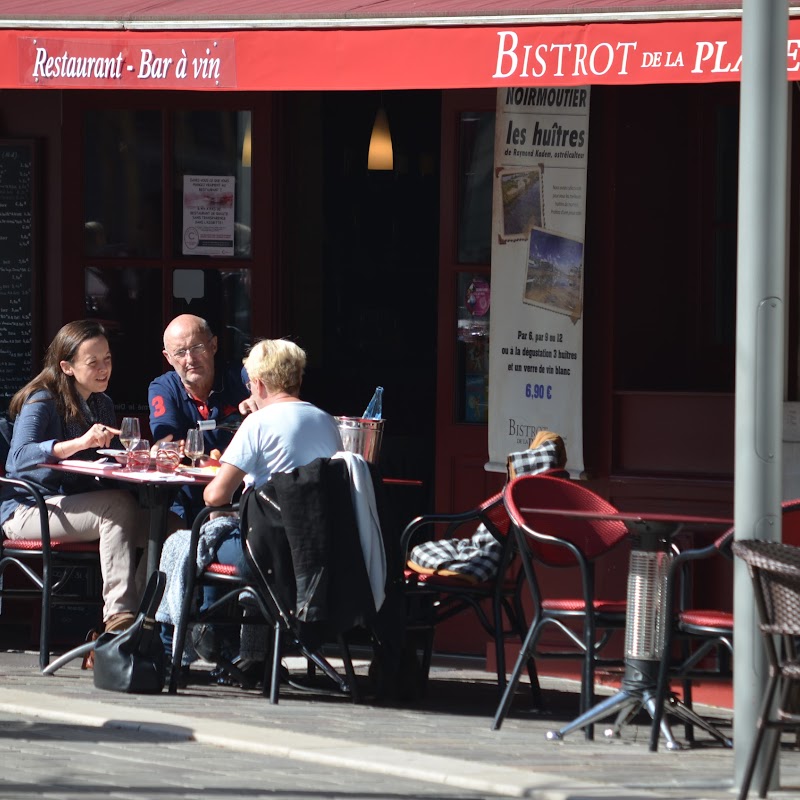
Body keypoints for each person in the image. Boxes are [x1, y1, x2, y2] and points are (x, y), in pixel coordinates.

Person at [156, 338, 344, 676]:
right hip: (312, 550)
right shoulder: (326, 420)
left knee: (181, 543)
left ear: (257, 383)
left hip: (263, 552)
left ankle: (174, 655)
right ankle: (245, 653)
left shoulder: (257, 424)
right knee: (219, 535)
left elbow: (215, 496)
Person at [0, 320, 149, 633]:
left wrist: (137, 460)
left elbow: (99, 465)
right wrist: (80, 443)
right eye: (92, 362)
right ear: (66, 367)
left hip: (73, 505)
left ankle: (143, 622)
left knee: (167, 526)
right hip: (29, 508)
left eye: (107, 359)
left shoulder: (102, 403)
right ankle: (119, 623)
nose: (103, 369)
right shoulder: (42, 399)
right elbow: (19, 457)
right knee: (119, 507)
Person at [148, 314, 251, 522]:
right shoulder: (163, 388)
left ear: (213, 346)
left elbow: (275, 401)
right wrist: (163, 449)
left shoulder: (240, 378)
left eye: (197, 348)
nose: (190, 360)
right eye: (180, 352)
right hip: (186, 499)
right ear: (168, 358)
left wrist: (259, 404)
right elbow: (167, 440)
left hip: (241, 496)